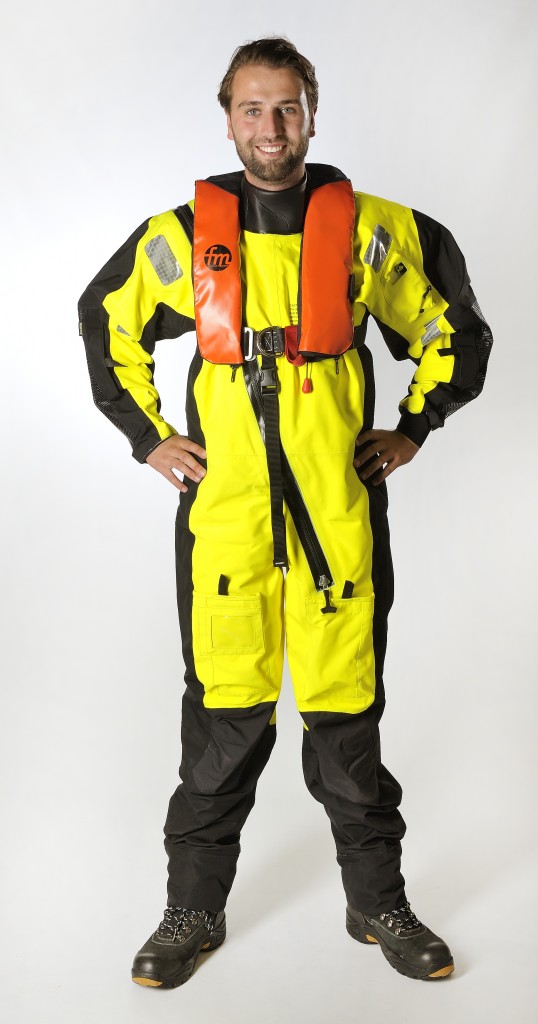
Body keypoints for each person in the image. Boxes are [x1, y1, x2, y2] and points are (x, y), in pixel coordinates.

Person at [78, 37, 492, 987]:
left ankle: (376, 901)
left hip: (337, 522)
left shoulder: (377, 231)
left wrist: (413, 427)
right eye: (253, 109)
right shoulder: (185, 237)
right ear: (228, 118)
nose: (271, 127)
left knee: (346, 719)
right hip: (225, 526)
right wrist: (149, 438)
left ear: (312, 112)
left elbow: (458, 330)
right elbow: (105, 320)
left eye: (288, 108)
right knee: (223, 725)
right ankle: (192, 910)